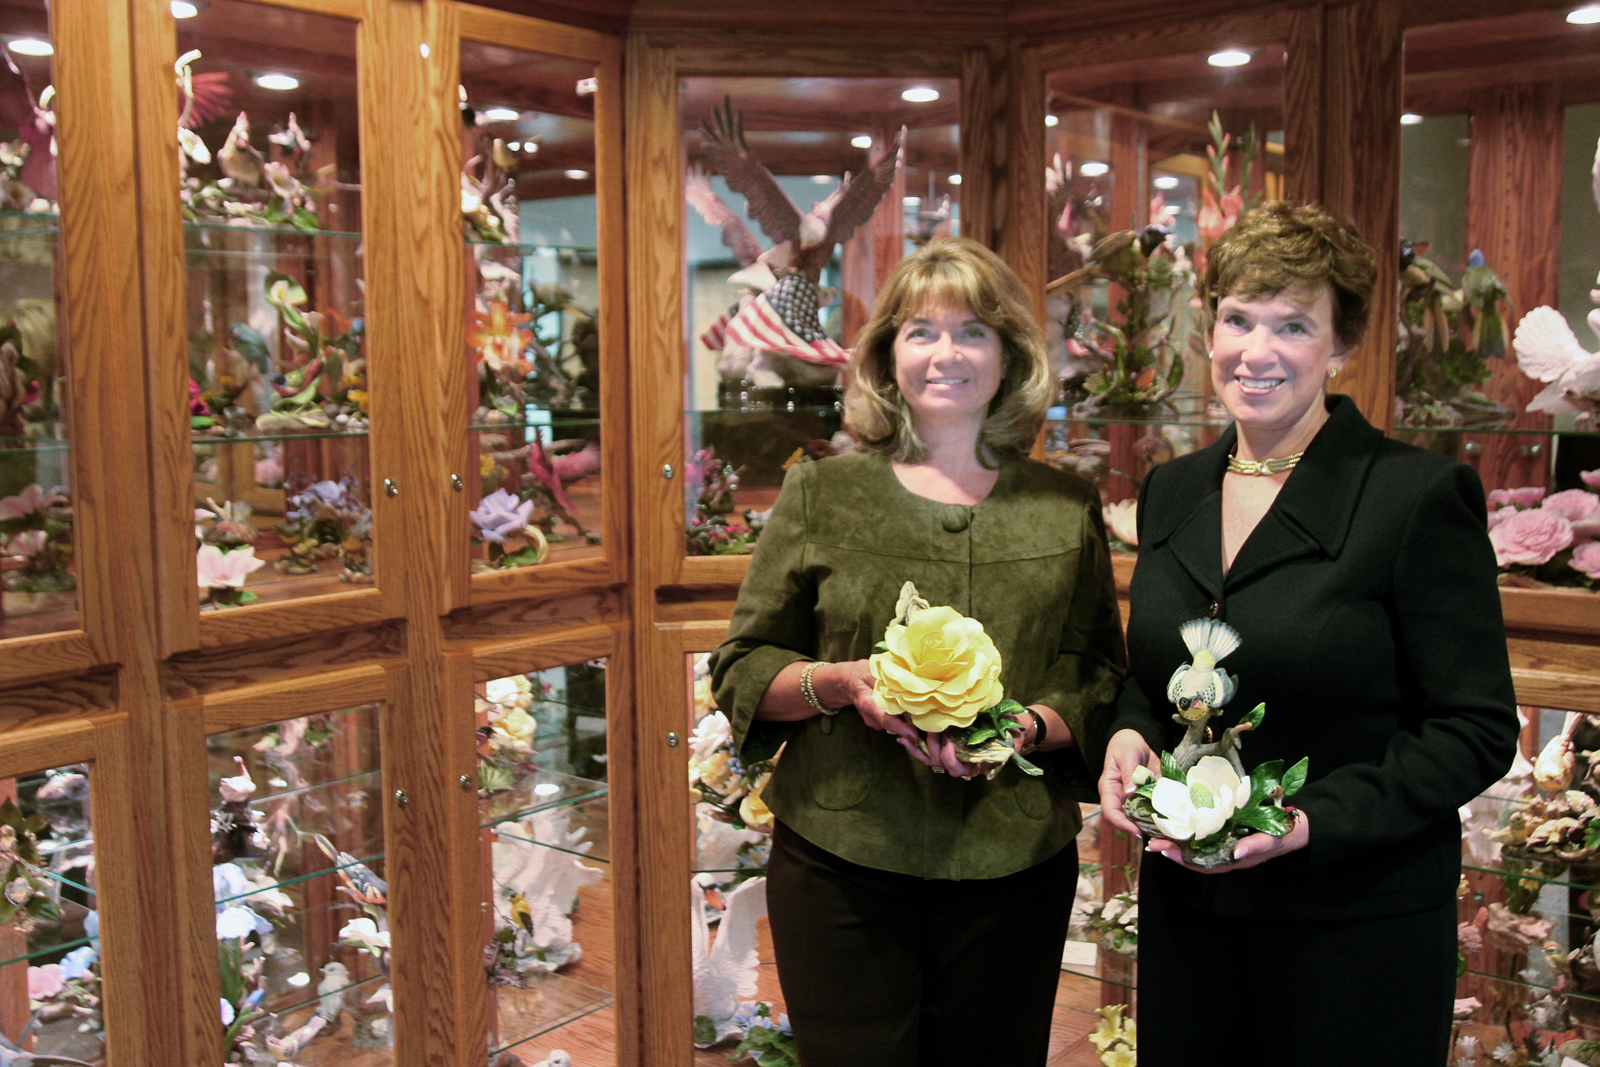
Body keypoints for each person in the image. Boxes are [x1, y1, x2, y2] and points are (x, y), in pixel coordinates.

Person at [1097, 201, 1520, 1066]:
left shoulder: (1414, 496)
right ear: (1207, 331)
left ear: (1341, 348)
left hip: (1353, 924)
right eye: (1238, 318)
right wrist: (1130, 731)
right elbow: (1157, 675)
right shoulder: (1175, 488)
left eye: (1293, 325)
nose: (1257, 350)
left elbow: (1475, 730)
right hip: (1192, 916)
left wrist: (1306, 822)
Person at [709, 236, 1125, 1067]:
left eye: (973, 331)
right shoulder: (821, 492)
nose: (946, 354)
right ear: (886, 354)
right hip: (840, 862)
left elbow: (1097, 677)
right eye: (920, 331)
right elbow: (744, 663)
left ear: (1009, 355)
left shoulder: (1063, 504)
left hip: (1013, 864)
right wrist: (840, 682)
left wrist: (1026, 729)